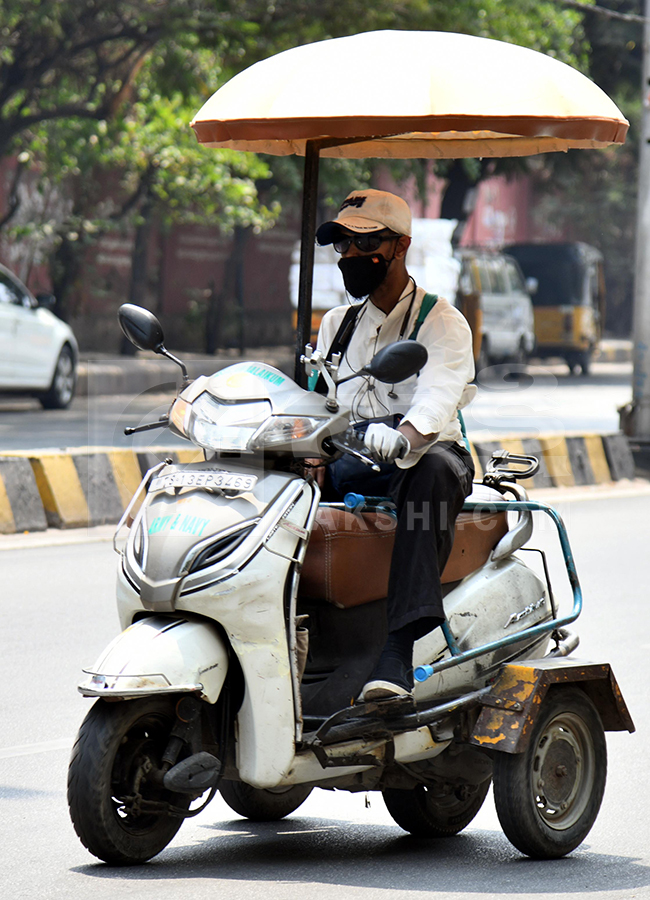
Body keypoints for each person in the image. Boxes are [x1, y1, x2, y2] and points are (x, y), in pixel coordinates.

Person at [312, 188, 476, 701]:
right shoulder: (337, 325)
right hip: (354, 456)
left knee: (432, 475)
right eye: (343, 245)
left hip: (424, 458)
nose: (352, 255)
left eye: (366, 244)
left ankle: (397, 653)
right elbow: (317, 403)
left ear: (400, 246)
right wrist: (311, 450)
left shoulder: (440, 320)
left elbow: (436, 400)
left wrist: (402, 436)